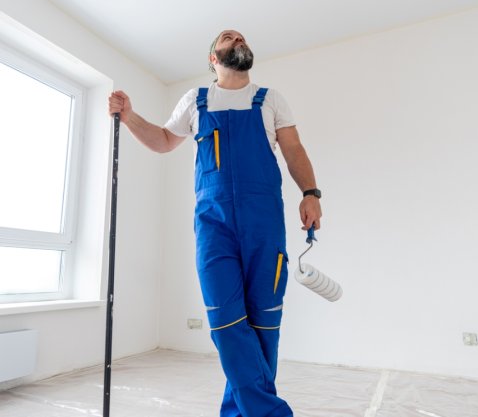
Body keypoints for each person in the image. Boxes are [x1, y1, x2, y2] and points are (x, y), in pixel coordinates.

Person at [108, 29, 321, 417]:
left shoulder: (270, 99)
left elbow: (293, 149)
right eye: (228, 37)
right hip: (214, 224)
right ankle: (268, 412)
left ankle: (238, 411)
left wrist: (311, 193)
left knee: (264, 322)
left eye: (241, 37)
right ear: (213, 58)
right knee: (225, 319)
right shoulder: (195, 100)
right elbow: (162, 140)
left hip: (264, 223)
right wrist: (128, 116)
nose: (238, 38)